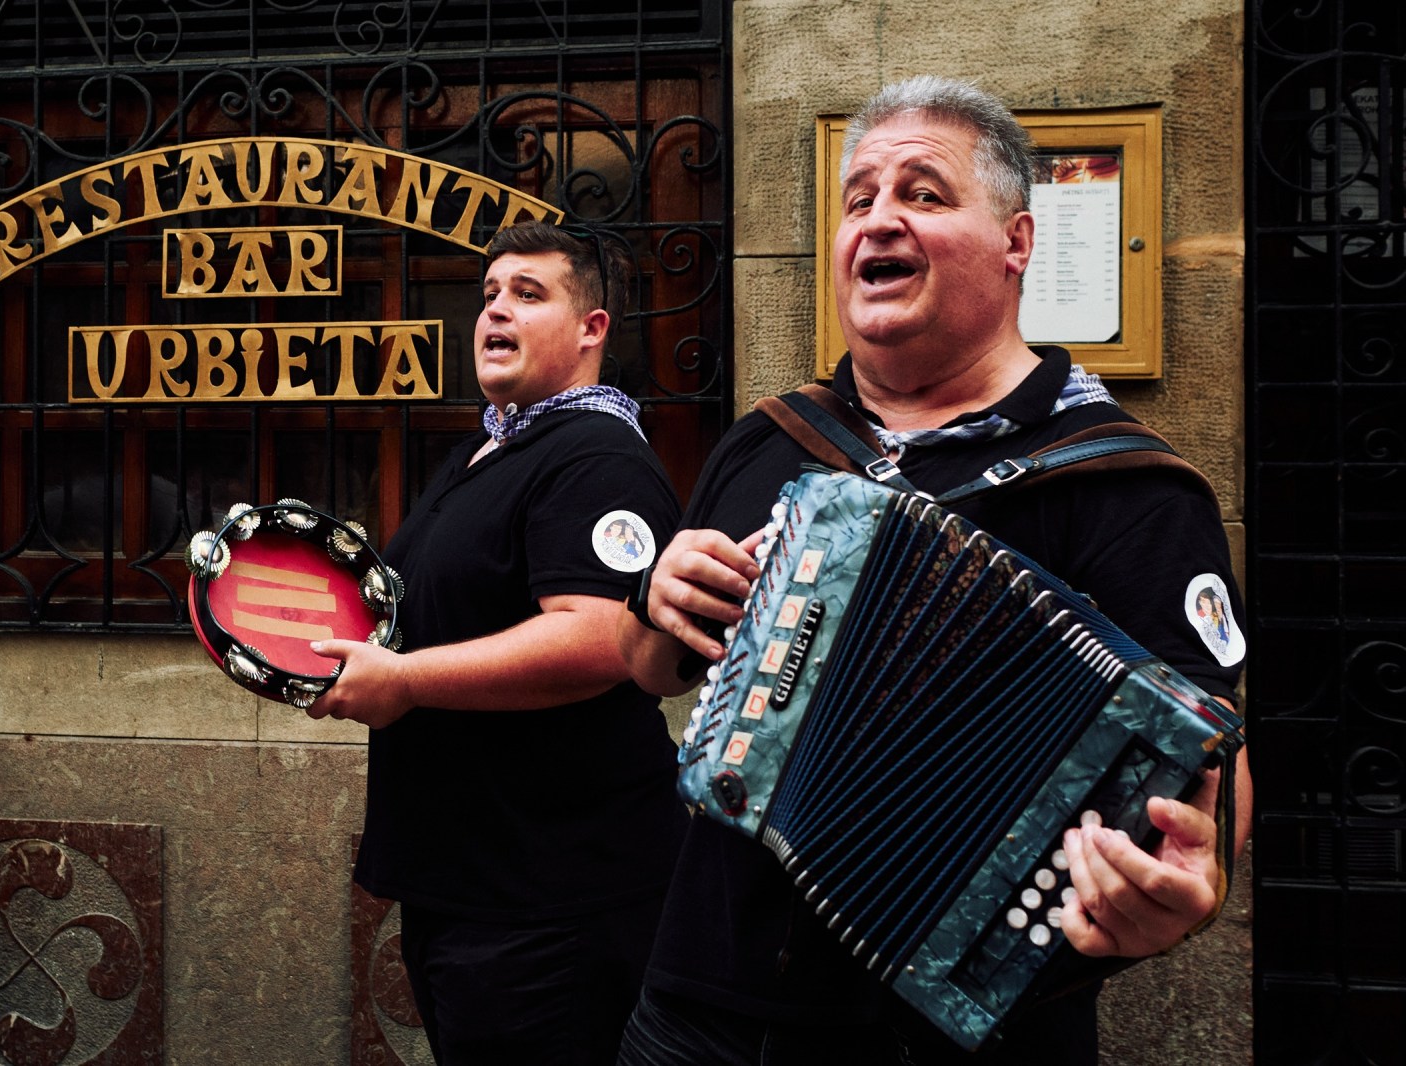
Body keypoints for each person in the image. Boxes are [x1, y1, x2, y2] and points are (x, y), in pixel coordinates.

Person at [616, 76, 1253, 1065]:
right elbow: (650, 666)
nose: (880, 219)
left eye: (923, 192)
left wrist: (1190, 886)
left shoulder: (1127, 487)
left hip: (959, 1032)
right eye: (859, 199)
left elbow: (1211, 755)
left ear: (1016, 243)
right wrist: (657, 603)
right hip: (704, 1000)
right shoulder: (771, 440)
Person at [307, 221, 689, 1065]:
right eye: (488, 295)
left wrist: (405, 680)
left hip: (554, 905)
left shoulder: (597, 458)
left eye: (528, 293)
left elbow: (601, 637)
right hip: (472, 890)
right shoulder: (491, 450)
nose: (495, 312)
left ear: (592, 328)